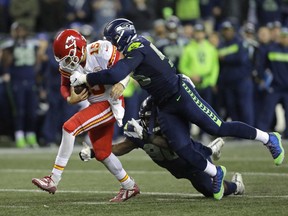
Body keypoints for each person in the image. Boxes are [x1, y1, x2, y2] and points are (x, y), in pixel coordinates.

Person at [70, 18, 284, 200]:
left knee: (218, 127)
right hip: (164, 103)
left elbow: (117, 73)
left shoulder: (138, 47)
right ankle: (215, 171)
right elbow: (120, 73)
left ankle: (268, 138)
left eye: (112, 40)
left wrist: (86, 77)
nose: (111, 45)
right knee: (180, 147)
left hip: (180, 94)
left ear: (121, 36)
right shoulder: (131, 52)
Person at [32, 29, 140, 202]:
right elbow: (64, 85)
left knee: (69, 127)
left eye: (68, 58)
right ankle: (129, 186)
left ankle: (53, 179)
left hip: (110, 103)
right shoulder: (68, 65)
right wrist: (70, 98)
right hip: (95, 104)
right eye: (64, 60)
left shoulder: (101, 50)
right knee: (102, 152)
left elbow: (126, 65)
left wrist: (121, 82)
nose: (67, 63)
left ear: (78, 48)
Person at [79, 96, 245, 198]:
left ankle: (237, 186)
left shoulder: (170, 127)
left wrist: (148, 137)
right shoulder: (139, 131)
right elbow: (121, 147)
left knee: (210, 191)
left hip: (193, 163)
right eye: (146, 118)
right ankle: (211, 149)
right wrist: (94, 152)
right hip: (178, 169)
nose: (150, 121)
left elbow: (173, 146)